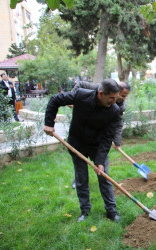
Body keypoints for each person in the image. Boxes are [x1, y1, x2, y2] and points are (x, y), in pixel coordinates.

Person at [44, 79, 122, 223]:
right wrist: (49, 123)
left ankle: (112, 211)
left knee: (104, 177)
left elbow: (107, 138)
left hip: (97, 146)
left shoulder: (114, 111)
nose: (114, 101)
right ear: (101, 94)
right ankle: (85, 211)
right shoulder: (80, 95)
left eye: (116, 98)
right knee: (81, 179)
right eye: (111, 97)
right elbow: (55, 99)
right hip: (77, 144)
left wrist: (99, 161)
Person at [70, 81, 130, 189]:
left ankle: (104, 184)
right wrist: (72, 99)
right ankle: (78, 180)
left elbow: (118, 124)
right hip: (83, 128)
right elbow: (81, 85)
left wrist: (117, 140)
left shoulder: (119, 106)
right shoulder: (97, 89)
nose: (123, 99)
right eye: (123, 95)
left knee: (102, 162)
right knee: (80, 162)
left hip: (100, 134)